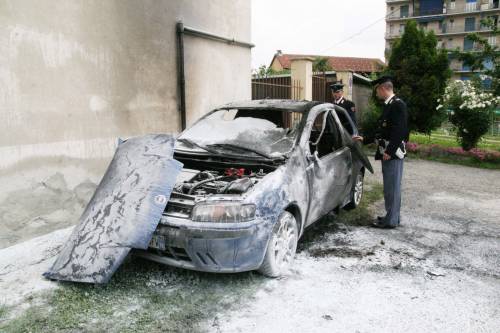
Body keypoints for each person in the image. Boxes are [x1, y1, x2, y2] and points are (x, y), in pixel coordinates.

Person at [372, 76, 408, 229]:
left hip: (391, 152)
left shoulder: (397, 105)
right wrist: (366, 138)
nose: (377, 94)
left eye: (377, 90)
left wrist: (390, 151)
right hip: (387, 150)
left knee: (392, 187)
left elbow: (400, 130)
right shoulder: (390, 104)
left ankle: (391, 220)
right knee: (390, 186)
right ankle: (392, 216)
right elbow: (383, 130)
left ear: (383, 88)